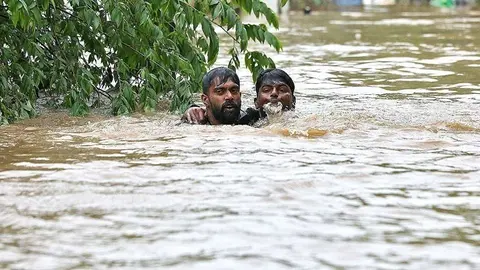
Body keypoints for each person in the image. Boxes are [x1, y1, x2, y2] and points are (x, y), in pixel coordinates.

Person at [183, 68, 295, 125]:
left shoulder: (250, 119)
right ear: (205, 99)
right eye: (220, 91)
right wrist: (190, 109)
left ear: (240, 95)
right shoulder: (194, 122)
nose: (229, 96)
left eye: (234, 90)